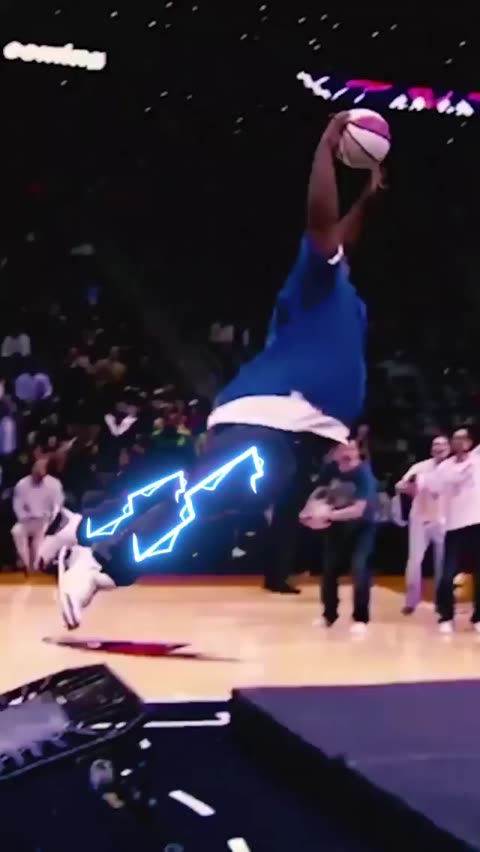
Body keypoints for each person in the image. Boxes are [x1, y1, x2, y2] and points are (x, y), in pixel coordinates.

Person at [38, 111, 387, 629]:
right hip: (274, 410)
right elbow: (321, 223)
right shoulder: (315, 280)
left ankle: (83, 529)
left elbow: (342, 238)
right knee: (205, 496)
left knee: (220, 497)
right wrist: (327, 146)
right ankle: (100, 562)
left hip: (306, 429)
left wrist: (368, 199)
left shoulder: (344, 291)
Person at [299, 440, 378, 634]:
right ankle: (329, 615)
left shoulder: (363, 474)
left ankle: (361, 618)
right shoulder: (330, 469)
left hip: (362, 528)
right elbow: (318, 492)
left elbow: (358, 510)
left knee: (359, 568)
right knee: (329, 571)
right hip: (336, 527)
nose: (347, 452)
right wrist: (307, 512)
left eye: (351, 448)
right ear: (336, 451)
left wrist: (328, 515)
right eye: (343, 448)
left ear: (358, 452)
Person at [396, 435, 451, 615]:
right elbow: (400, 485)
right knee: (414, 560)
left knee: (443, 562)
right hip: (420, 519)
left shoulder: (454, 468)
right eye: (436, 444)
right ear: (431, 449)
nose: (439, 448)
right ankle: (411, 601)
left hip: (444, 520)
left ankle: (442, 602)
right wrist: (409, 487)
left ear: (449, 448)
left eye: (443, 444)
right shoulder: (420, 467)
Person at [433, 428, 480, 634]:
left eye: (463, 438)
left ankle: (478, 617)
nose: (459, 442)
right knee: (447, 575)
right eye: (456, 438)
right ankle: (446, 616)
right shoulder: (445, 467)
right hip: (454, 526)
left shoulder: (477, 460)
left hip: (477, 523)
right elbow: (436, 489)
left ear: (470, 442)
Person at [12, 458, 64, 572]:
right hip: (26, 519)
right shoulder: (22, 484)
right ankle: (27, 564)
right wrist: (24, 517)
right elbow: (17, 504)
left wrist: (50, 519)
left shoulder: (54, 484)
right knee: (17, 531)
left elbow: (57, 505)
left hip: (45, 520)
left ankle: (36, 566)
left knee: (39, 539)